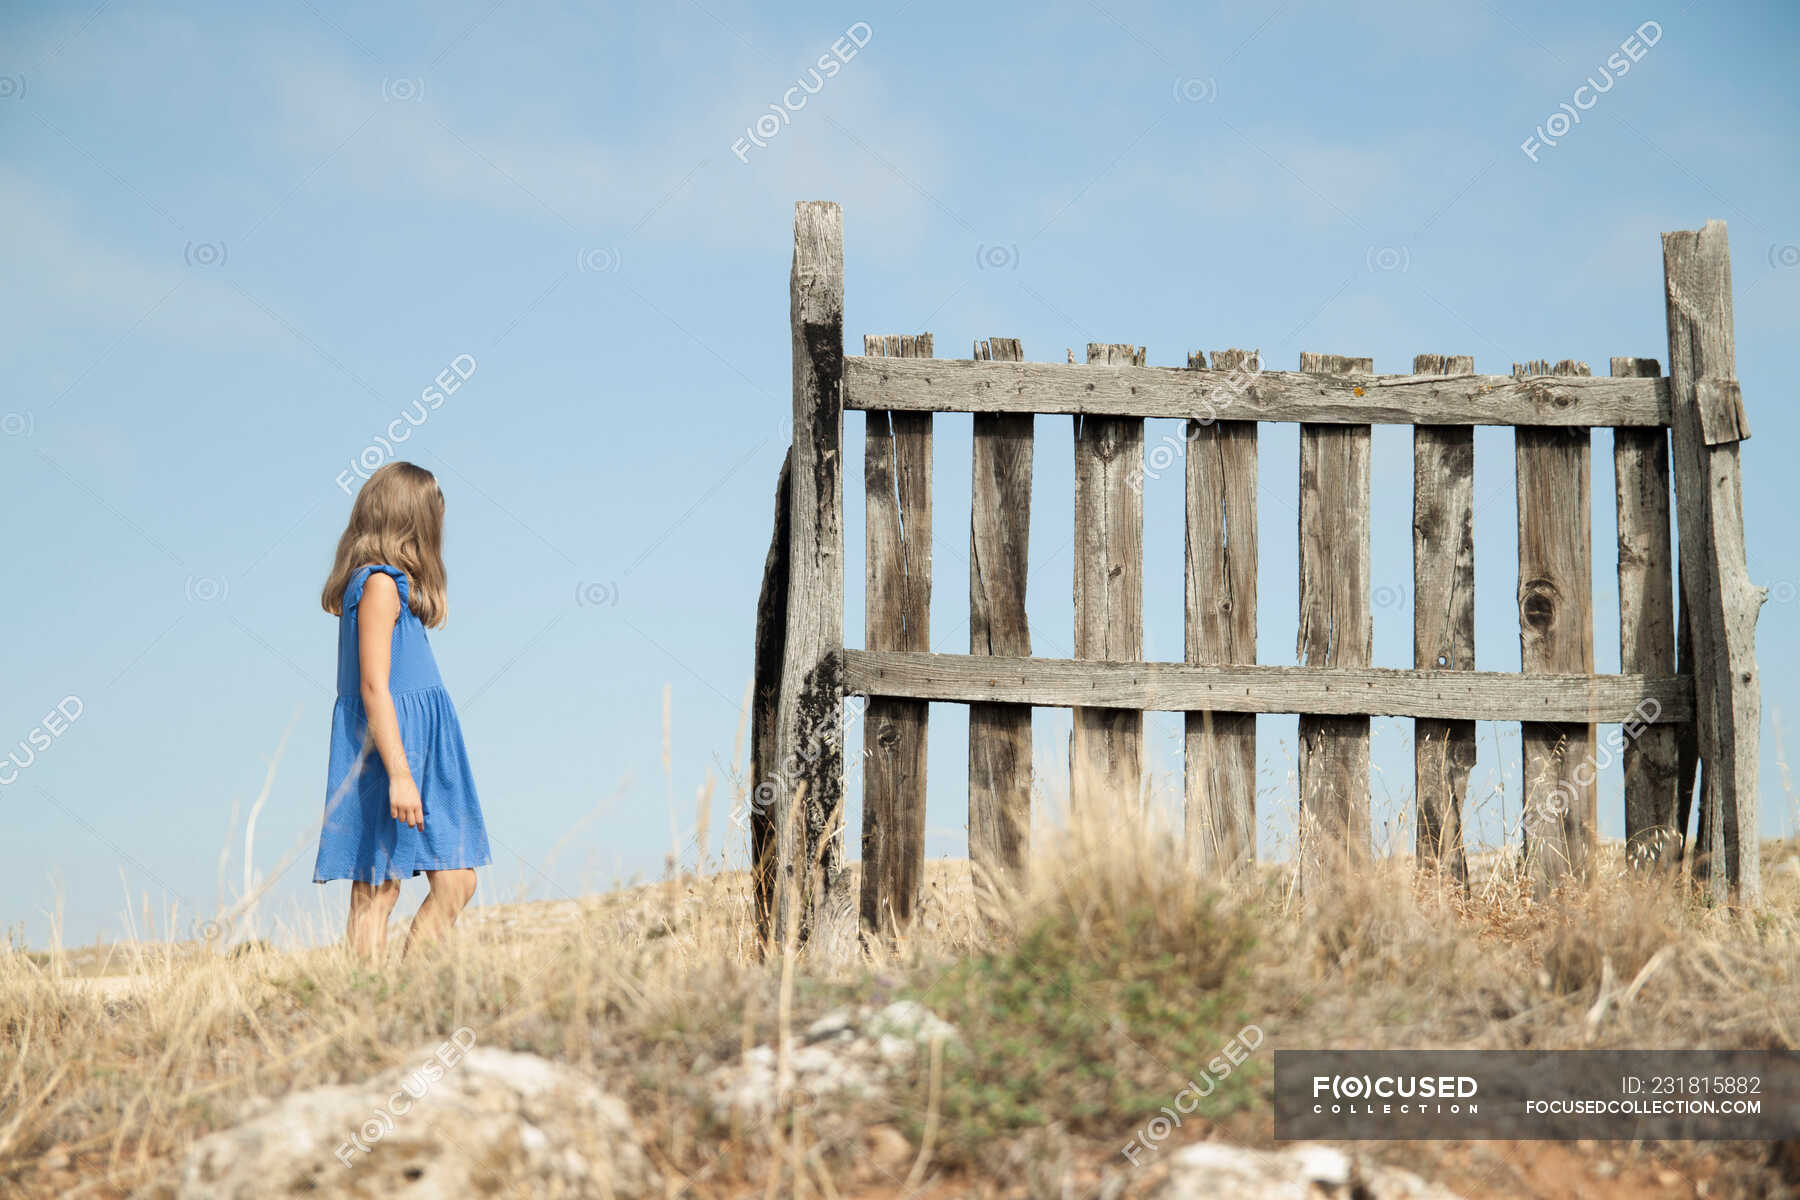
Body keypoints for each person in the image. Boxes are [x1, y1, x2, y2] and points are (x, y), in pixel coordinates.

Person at [312, 462, 489, 959]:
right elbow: (373, 685)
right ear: (412, 519)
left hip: (426, 744)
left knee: (456, 879)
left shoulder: (397, 588)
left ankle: (409, 988)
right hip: (392, 747)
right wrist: (399, 773)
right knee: (379, 885)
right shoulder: (378, 585)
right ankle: (366, 1003)